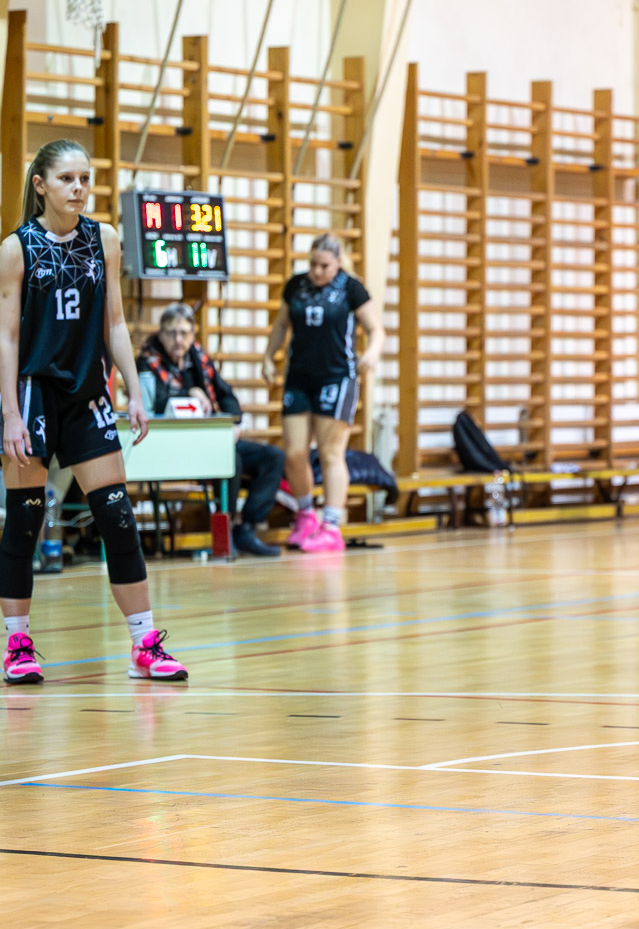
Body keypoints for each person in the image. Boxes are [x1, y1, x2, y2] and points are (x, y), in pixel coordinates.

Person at [0, 139, 187, 684]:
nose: (79, 188)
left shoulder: (103, 238)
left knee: (117, 517)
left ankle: (143, 645)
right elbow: (6, 337)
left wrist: (135, 390)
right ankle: (16, 646)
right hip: (33, 393)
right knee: (25, 520)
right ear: (41, 185)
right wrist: (9, 413)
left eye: (85, 178)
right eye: (67, 179)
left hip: (87, 395)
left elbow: (116, 322)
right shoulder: (16, 248)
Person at [261, 233, 383, 553]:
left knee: (331, 453)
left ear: (338, 263)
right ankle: (305, 515)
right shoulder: (296, 286)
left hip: (337, 378)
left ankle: (331, 526)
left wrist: (372, 352)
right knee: (294, 452)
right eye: (313, 264)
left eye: (324, 266)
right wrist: (268, 356)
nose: (317, 271)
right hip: (299, 378)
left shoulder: (351, 288)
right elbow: (281, 325)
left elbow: (376, 329)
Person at [138, 302, 285, 557]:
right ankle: (225, 532)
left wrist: (234, 423)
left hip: (211, 440)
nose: (178, 339)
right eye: (171, 333)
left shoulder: (199, 357)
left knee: (273, 457)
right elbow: (153, 404)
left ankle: (246, 527)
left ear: (193, 334)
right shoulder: (147, 361)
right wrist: (189, 393)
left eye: (184, 333)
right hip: (172, 445)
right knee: (230, 460)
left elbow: (227, 395)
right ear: (160, 334)